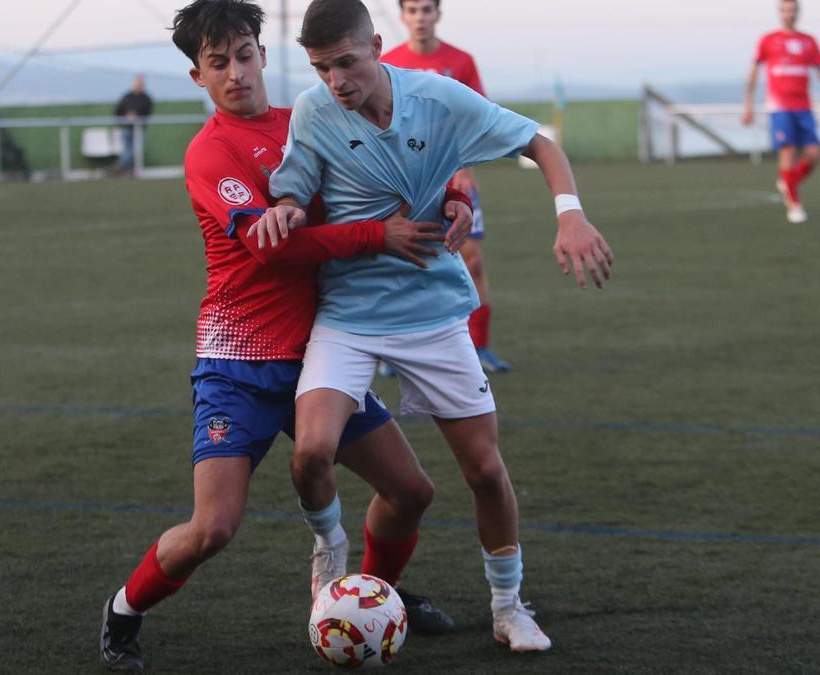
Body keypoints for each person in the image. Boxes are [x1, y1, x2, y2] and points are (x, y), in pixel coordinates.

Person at [98, 1, 471, 670]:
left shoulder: (311, 120)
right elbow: (274, 247)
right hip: (237, 365)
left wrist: (449, 195)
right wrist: (374, 234)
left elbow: (380, 175)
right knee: (214, 527)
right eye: (219, 64)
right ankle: (124, 609)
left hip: (320, 355)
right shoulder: (210, 153)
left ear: (264, 56)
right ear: (198, 79)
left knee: (412, 491)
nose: (237, 72)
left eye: (245, 55)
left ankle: (375, 593)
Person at [252, 0, 613, 653]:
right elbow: (294, 190)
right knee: (309, 452)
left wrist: (569, 214)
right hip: (349, 314)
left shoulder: (438, 97)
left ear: (377, 46)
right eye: (321, 67)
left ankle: (508, 606)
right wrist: (282, 210)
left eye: (347, 62)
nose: (335, 79)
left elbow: (539, 141)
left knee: (483, 468)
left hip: (432, 311)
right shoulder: (313, 111)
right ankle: (330, 546)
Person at [381, 0, 510, 374]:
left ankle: (479, 346)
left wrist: (466, 167)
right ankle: (394, 352)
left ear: (437, 14)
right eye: (413, 11)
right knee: (401, 265)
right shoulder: (388, 61)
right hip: (404, 182)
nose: (420, 17)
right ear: (403, 17)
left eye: (426, 9)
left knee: (472, 261)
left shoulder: (461, 61)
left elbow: (475, 117)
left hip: (453, 178)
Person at [742, 0, 820, 224]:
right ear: (780, 13)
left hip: (804, 107)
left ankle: (788, 182)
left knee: (814, 154)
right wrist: (748, 104)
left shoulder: (809, 41)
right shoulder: (768, 40)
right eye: (785, 10)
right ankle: (794, 205)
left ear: (798, 13)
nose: (789, 14)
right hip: (780, 108)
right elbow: (753, 73)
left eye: (793, 10)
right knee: (787, 153)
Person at [114, 75, 153, 175]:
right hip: (126, 128)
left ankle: (120, 166)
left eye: (141, 82)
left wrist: (137, 116)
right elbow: (118, 111)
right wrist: (126, 118)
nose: (139, 84)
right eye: (138, 82)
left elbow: (148, 112)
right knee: (128, 150)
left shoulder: (146, 98)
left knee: (137, 150)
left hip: (139, 129)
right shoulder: (127, 96)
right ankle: (126, 170)